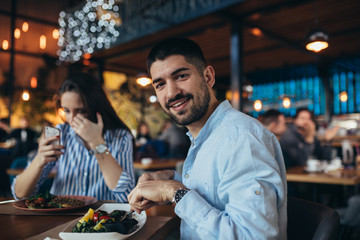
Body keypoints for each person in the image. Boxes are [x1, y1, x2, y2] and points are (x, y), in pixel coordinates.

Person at [127, 38, 287, 239]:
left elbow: (253, 236)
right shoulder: (207, 136)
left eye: (182, 76)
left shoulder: (241, 138)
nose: (171, 93)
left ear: (208, 76)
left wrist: (175, 192)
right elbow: (215, 193)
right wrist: (170, 178)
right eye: (160, 85)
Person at [11, 73, 135, 202]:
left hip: (101, 218)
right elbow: (19, 194)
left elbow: (126, 196)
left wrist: (97, 143)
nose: (71, 119)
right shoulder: (59, 132)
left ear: (96, 108)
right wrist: (39, 159)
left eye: (81, 111)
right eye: (67, 111)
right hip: (61, 216)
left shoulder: (121, 136)